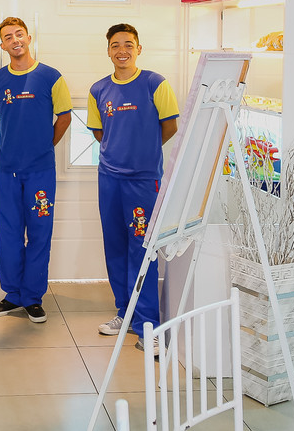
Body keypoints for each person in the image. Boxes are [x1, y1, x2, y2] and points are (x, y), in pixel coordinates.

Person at [87, 23, 179, 355]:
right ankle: (124, 313)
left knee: (142, 249)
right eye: (115, 45)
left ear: (139, 49)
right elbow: (100, 132)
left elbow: (169, 127)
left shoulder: (156, 83)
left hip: (143, 181)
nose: (121, 50)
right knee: (114, 245)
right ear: (108, 50)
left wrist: (143, 154)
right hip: (109, 179)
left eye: (128, 44)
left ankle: (146, 325)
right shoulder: (98, 89)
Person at [0, 17, 72, 323]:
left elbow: (64, 116)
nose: (15, 40)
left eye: (19, 34)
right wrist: (13, 142)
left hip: (41, 171)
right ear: (2, 45)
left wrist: (43, 145)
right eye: (8, 37)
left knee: (39, 233)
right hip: (7, 171)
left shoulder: (51, 77)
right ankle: (12, 295)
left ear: (29, 37)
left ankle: (32, 297)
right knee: (8, 234)